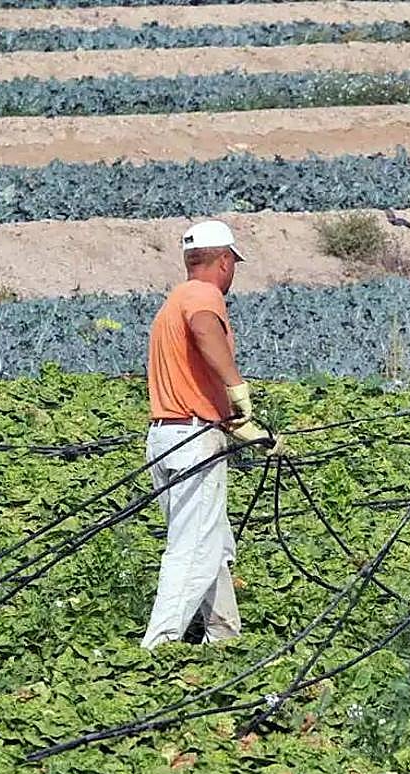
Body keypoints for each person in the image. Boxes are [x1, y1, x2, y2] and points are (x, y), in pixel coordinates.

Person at [142, 219, 284, 650]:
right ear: (224, 261)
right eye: (232, 262)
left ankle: (224, 635)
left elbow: (193, 382)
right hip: (192, 440)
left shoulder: (172, 302)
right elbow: (206, 328)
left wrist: (244, 428)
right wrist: (236, 387)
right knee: (195, 547)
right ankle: (158, 646)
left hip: (165, 437)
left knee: (210, 538)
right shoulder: (204, 296)